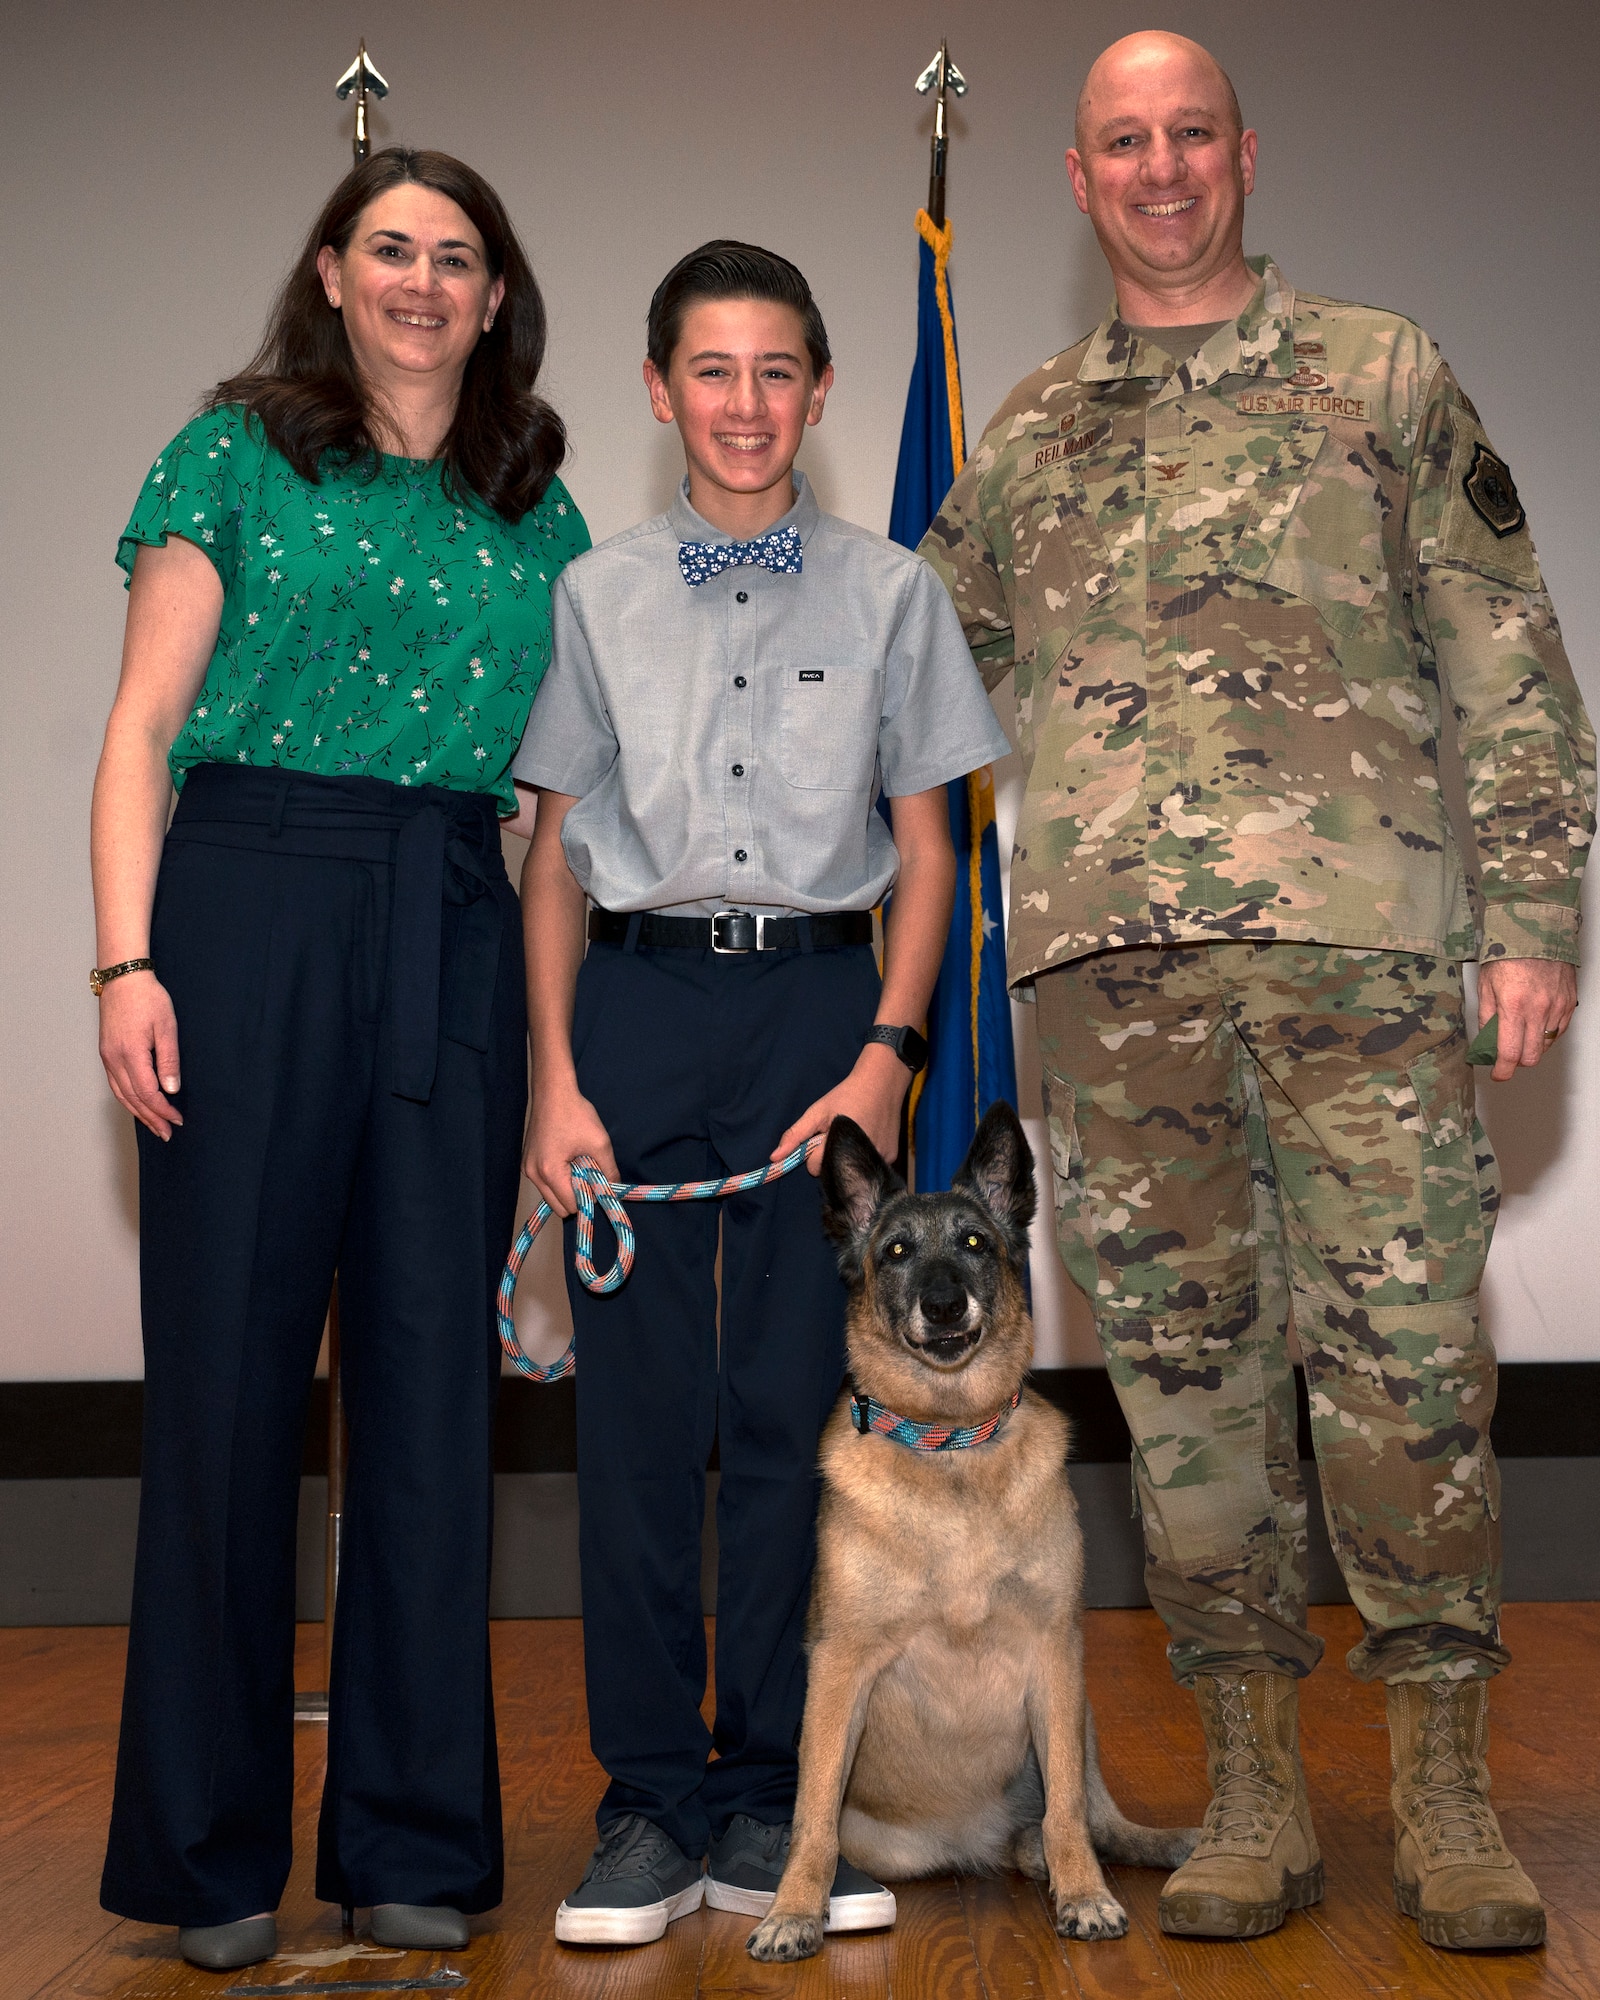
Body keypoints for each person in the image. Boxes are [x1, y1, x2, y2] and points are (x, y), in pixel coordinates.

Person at [920, 30, 1593, 1956]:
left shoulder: (1382, 374)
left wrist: (1531, 909)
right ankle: (1252, 1791)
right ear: (1076, 177)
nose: (1159, 169)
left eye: (1188, 134)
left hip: (1366, 965)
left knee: (1404, 1380)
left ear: (1243, 152)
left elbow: (1510, 662)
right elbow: (906, 687)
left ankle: (1449, 1796)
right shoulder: (1032, 435)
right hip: (1112, 995)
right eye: (1121, 141)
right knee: (1189, 1399)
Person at [91, 148, 588, 1971]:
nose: (421, 281)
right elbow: (142, 731)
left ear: (494, 293)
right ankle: (206, 1857)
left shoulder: (538, 508)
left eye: (458, 257)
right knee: (225, 1397)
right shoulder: (229, 454)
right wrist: (128, 963)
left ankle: (416, 1841)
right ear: (330, 267)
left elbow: (560, 831)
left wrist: (556, 1069)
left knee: (431, 1405)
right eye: (391, 248)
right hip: (243, 903)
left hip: (453, 909)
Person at [513, 240, 1011, 1947]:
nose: (744, 403)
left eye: (776, 370)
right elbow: (558, 858)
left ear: (817, 387)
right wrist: (554, 1086)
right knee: (645, 1426)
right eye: (709, 372)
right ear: (660, 392)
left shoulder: (893, 594)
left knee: (802, 1416)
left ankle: (768, 1800)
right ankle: (648, 1801)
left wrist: (885, 1053)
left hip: (819, 1005)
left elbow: (933, 854)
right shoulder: (597, 596)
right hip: (641, 1006)